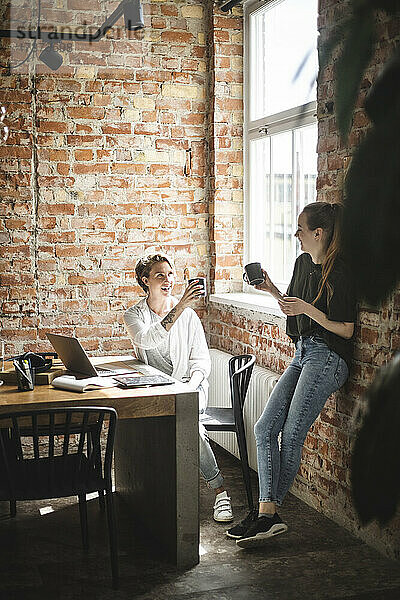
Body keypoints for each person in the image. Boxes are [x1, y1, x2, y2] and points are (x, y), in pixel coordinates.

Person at [228, 202, 356, 548]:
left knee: (292, 431)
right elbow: (294, 307)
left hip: (328, 358)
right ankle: (268, 516)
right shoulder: (302, 263)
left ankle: (266, 515)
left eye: (300, 229)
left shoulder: (341, 271)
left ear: (318, 233)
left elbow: (345, 330)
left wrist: (306, 309)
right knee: (264, 426)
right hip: (303, 352)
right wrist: (270, 288)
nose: (295, 234)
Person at [124, 253, 233, 523]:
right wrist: (181, 304)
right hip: (155, 391)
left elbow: (201, 362)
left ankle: (220, 491)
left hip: (190, 388)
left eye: (170, 274)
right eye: (160, 275)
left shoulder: (189, 316)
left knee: (188, 424)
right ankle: (145, 492)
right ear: (144, 280)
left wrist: (190, 388)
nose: (168, 280)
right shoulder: (133, 315)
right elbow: (147, 341)